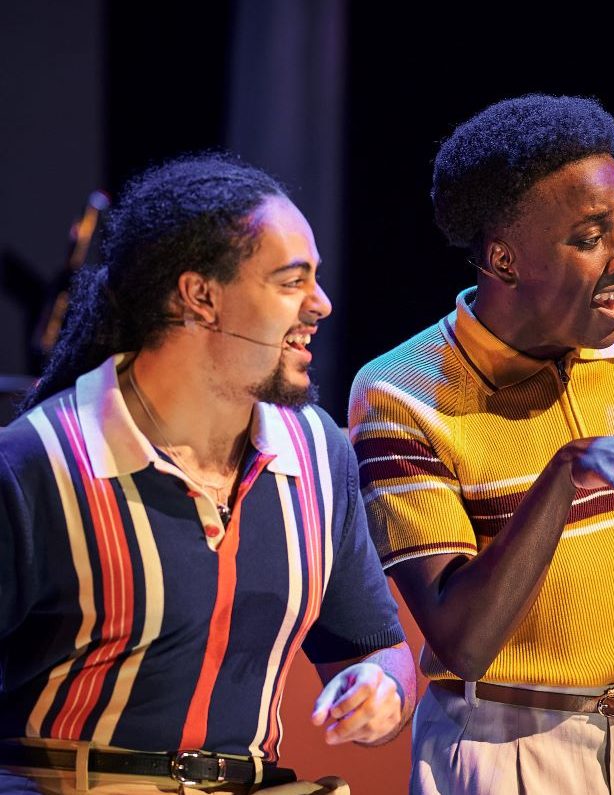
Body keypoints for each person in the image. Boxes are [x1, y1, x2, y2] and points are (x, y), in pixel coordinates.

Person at [0, 154, 417, 794]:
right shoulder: (41, 462)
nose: (322, 304)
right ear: (200, 297)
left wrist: (383, 686)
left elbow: (373, 646)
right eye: (290, 281)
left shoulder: (317, 453)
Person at [349, 94, 614, 794]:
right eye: (589, 238)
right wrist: (563, 478)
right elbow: (463, 639)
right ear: (503, 258)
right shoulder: (401, 390)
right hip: (512, 750)